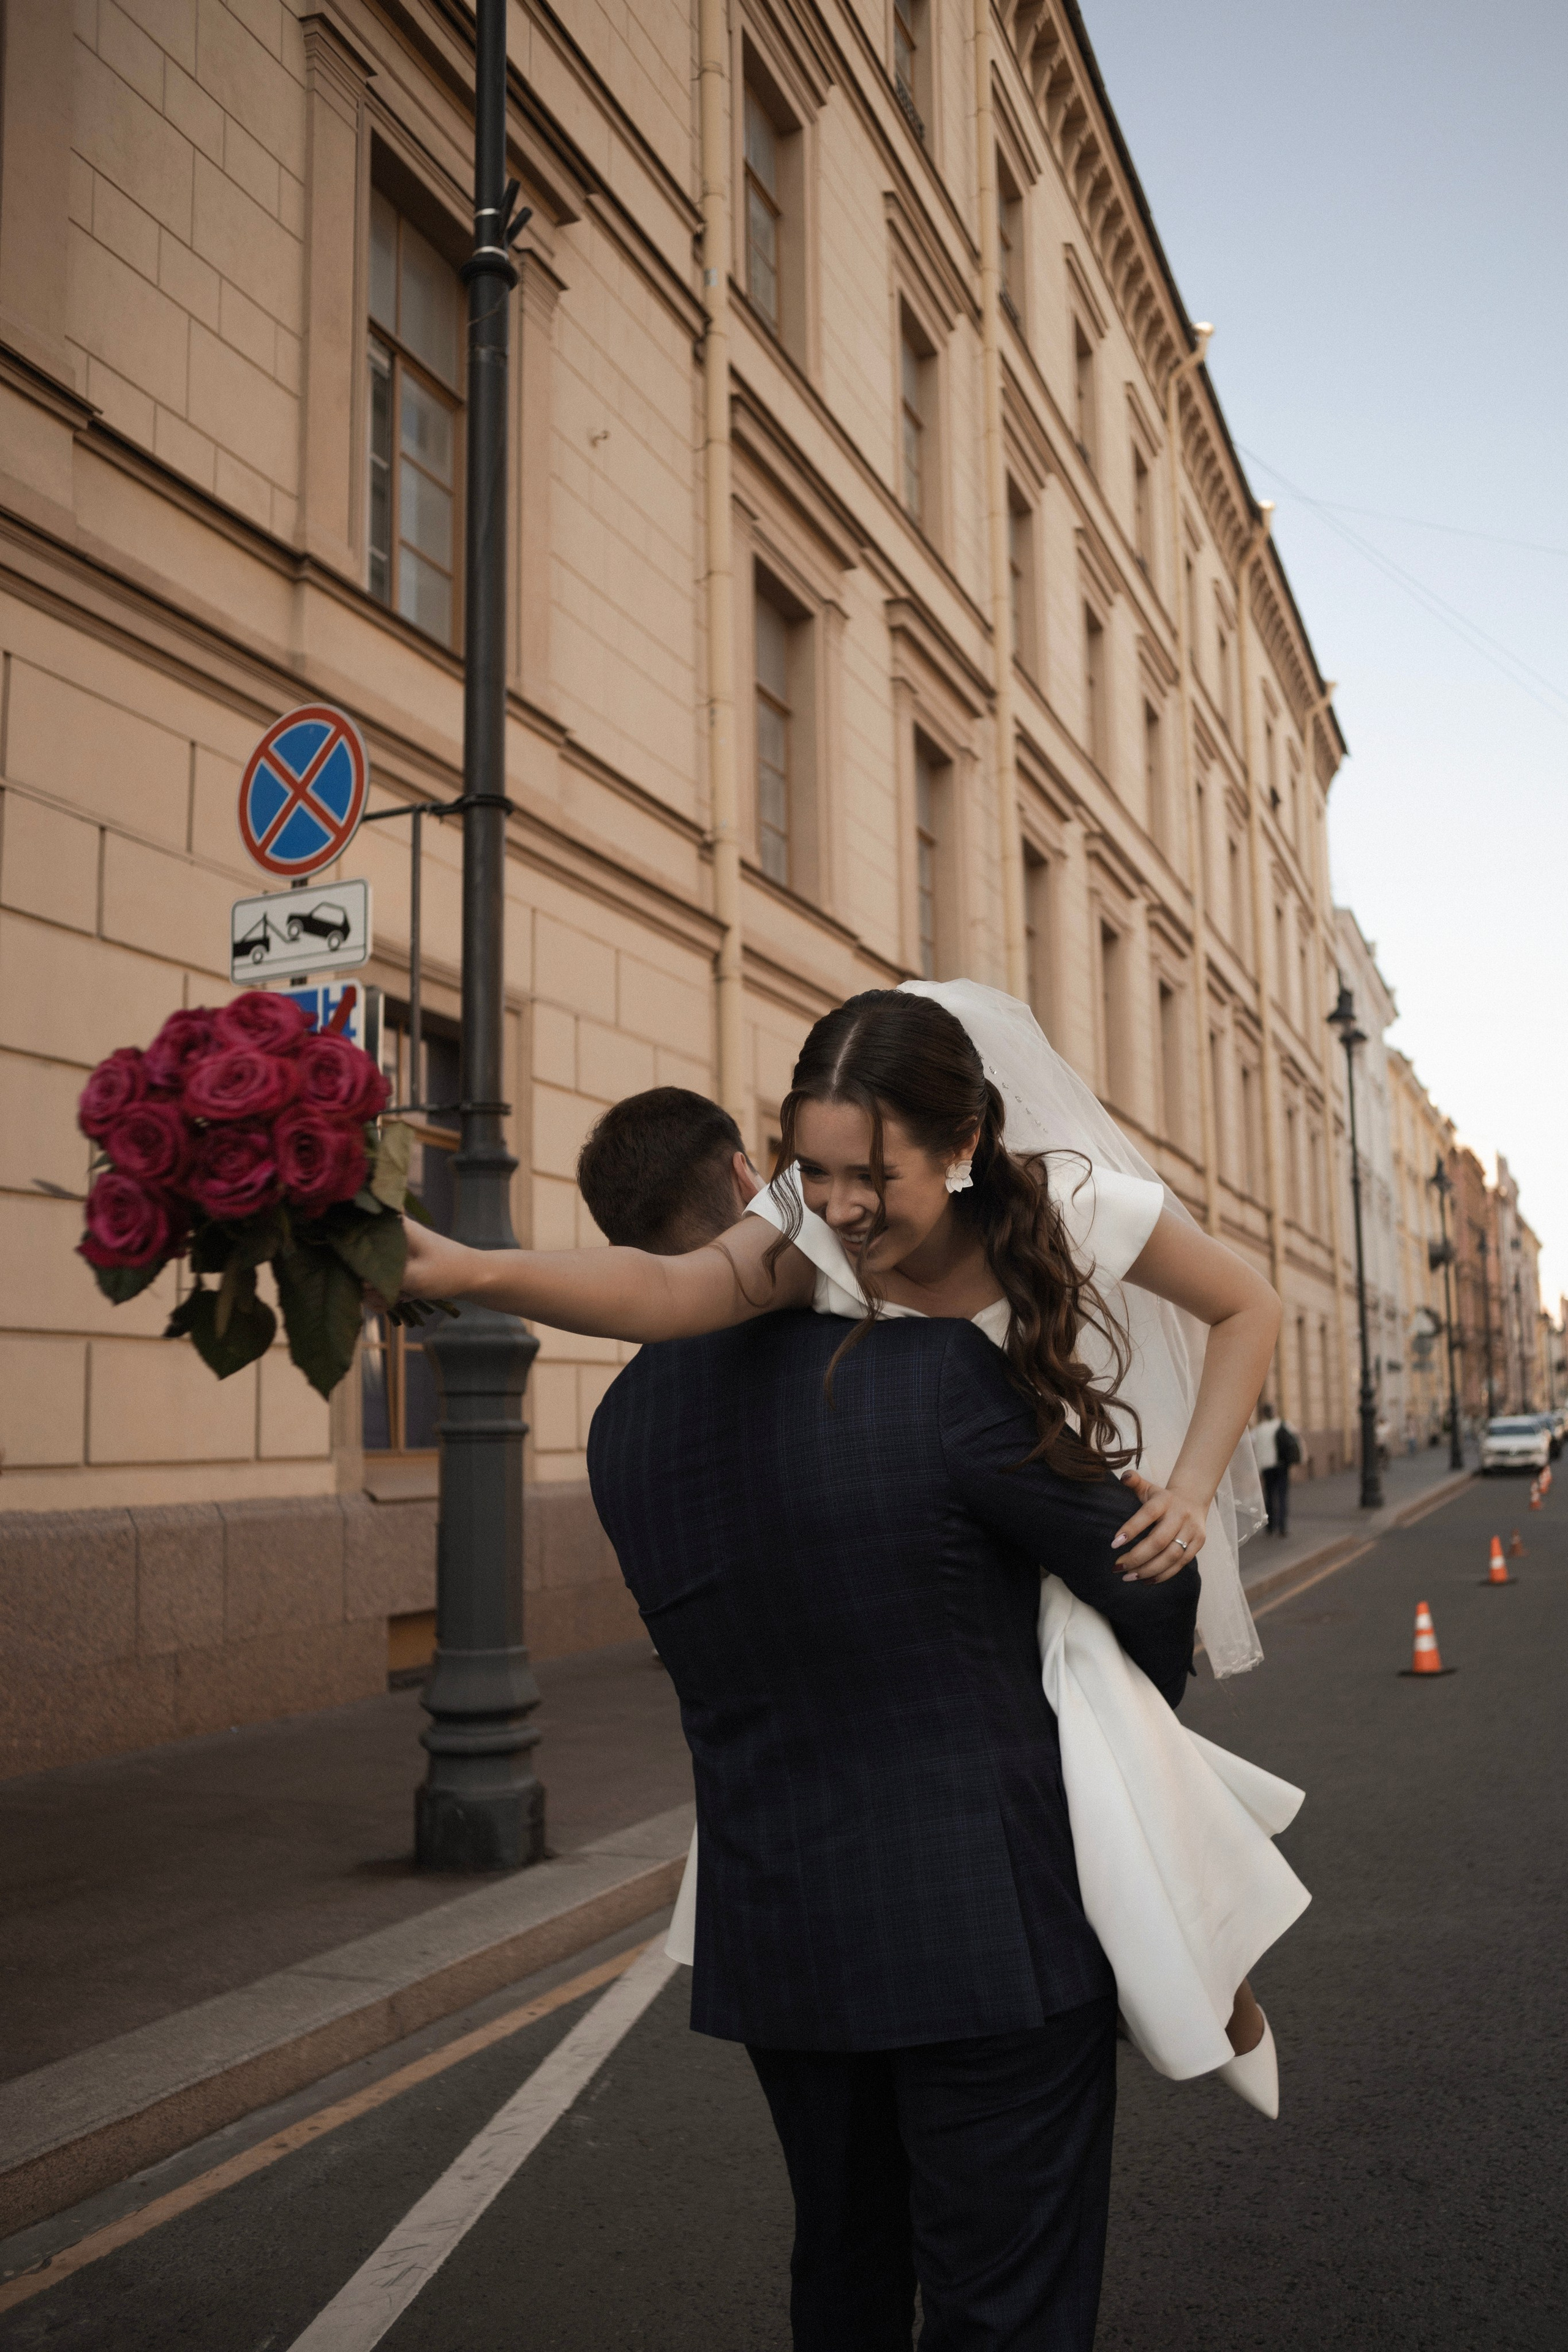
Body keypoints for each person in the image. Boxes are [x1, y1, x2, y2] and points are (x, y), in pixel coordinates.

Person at [401, 984, 1307, 2105]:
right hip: (922, 1551)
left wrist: (1194, 1488)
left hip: (1031, 1516)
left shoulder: (1072, 1198)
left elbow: (1248, 1306)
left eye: (869, 1177)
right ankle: (1146, 1964)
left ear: (964, 1147)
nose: (834, 1206)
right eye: (808, 1169)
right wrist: (468, 1268)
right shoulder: (802, 1227)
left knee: (1111, 1744)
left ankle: (1202, 1970)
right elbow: (665, 1289)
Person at [576, 1084, 1199, 2345]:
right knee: (1003, 2303)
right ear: (756, 1178)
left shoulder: (617, 1431)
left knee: (845, 2277)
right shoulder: (923, 1369)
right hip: (988, 1933)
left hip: (779, 1944)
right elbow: (1145, 1567)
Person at [1251, 1401, 1297, 1538]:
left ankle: (1270, 1527)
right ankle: (1282, 1527)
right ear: (1274, 1412)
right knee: (1282, 1496)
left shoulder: (1258, 1430)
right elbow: (1295, 1441)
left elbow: (1251, 1446)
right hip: (1281, 1465)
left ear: (1264, 1414)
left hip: (1266, 1467)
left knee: (1270, 1496)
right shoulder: (1283, 1425)